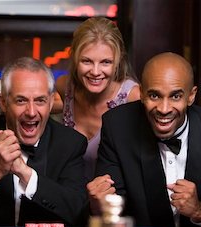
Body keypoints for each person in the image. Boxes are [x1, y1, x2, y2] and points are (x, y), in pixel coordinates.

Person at [87, 52, 201, 227]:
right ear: (141, 93)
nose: (164, 109)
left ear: (191, 96)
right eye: (155, 96)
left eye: (175, 96)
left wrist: (199, 212)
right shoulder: (117, 126)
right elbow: (114, 209)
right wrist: (98, 206)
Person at [0, 57, 89, 227]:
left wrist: (25, 173)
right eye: (21, 100)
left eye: (40, 100)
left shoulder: (70, 143)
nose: (31, 112)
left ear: (50, 103)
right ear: (3, 102)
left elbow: (77, 213)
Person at [53, 17, 140, 180]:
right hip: (71, 197)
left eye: (105, 62)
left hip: (113, 201)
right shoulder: (65, 87)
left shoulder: (133, 97)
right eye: (86, 61)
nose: (95, 71)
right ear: (75, 58)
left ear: (118, 61)